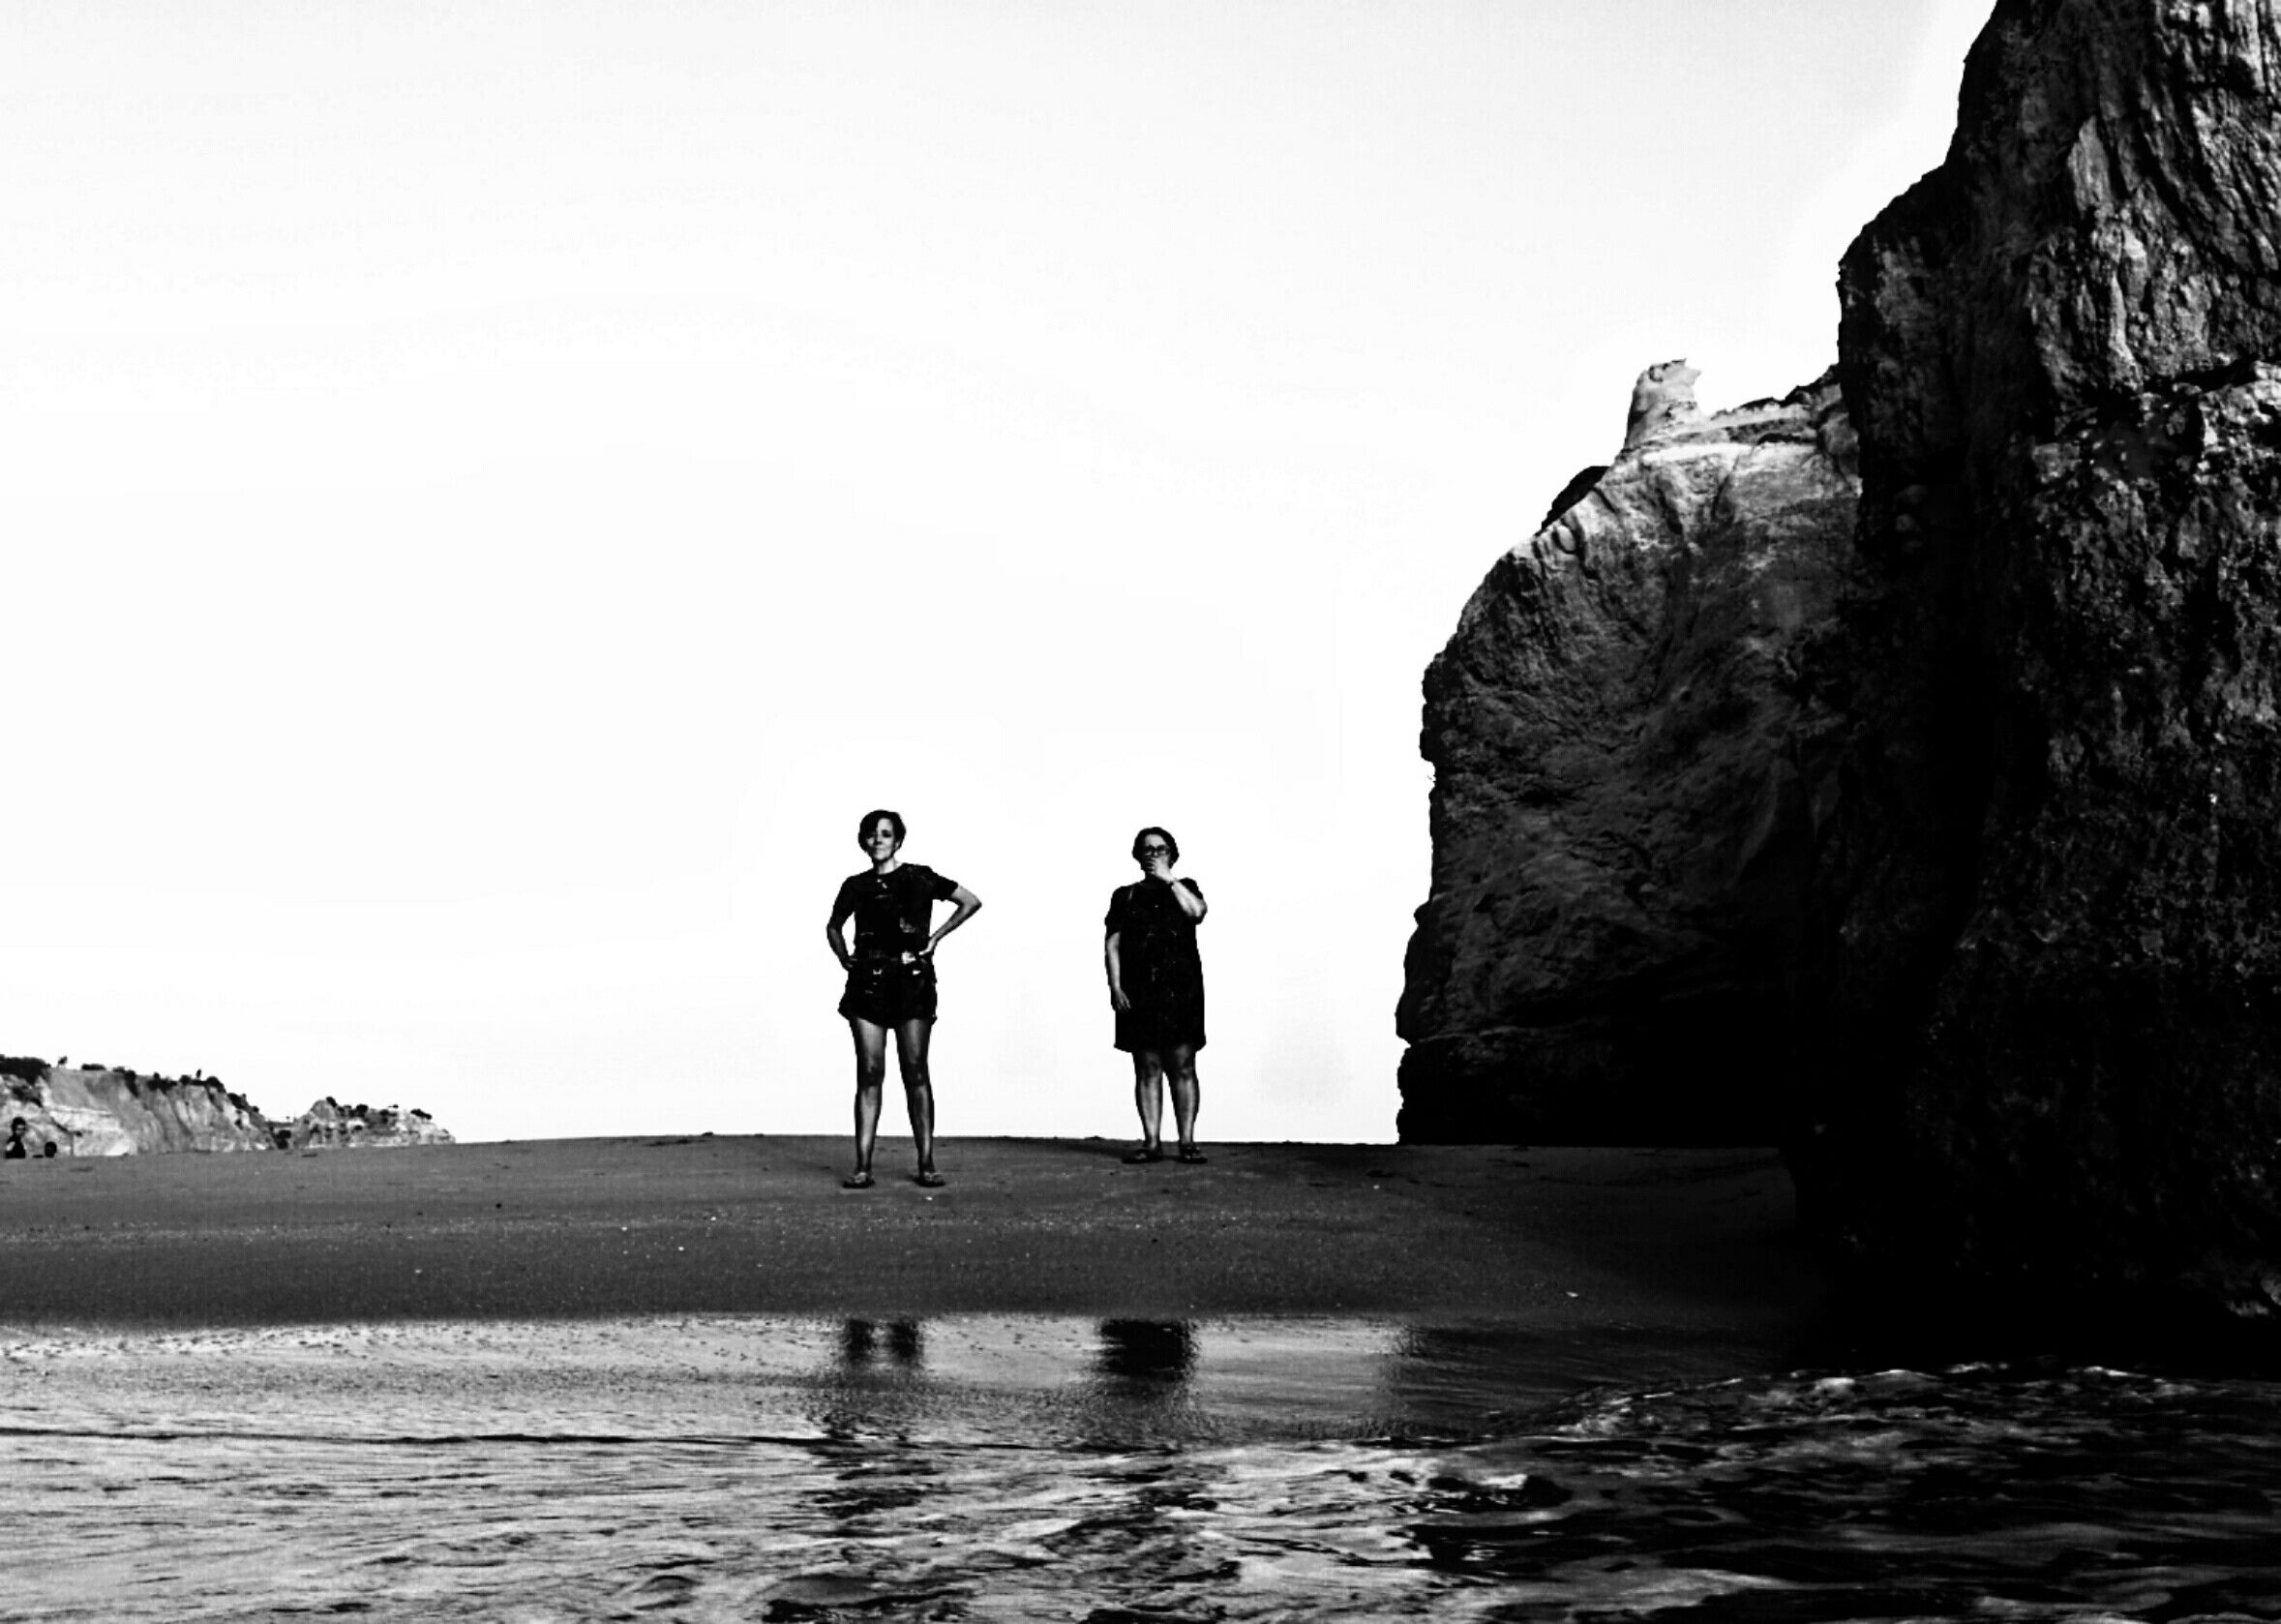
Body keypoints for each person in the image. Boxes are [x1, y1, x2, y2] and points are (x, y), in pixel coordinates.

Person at [825, 809, 982, 1189]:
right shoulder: (855, 885)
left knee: (915, 1069)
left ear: (898, 840)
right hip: (868, 984)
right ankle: (862, 1166)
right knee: (870, 1072)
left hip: (912, 981)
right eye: (871, 834)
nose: (878, 840)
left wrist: (936, 937)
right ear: (863, 841)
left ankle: (926, 1163)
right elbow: (833, 925)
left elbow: (970, 901)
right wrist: (845, 956)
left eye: (885, 834)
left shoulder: (920, 877)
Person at [1104, 826, 1209, 1164]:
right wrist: (1115, 986)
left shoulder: (1186, 888)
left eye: (1160, 849)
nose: (1153, 854)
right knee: (1146, 1066)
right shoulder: (1125, 895)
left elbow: (1197, 913)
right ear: (1137, 855)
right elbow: (1113, 944)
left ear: (1172, 854)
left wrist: (1170, 879)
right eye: (1147, 849)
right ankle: (1151, 1142)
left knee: (1182, 1065)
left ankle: (1187, 1142)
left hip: (1181, 990)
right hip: (1140, 991)